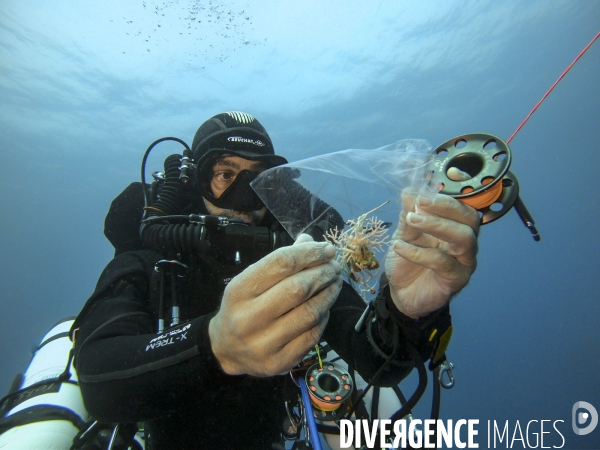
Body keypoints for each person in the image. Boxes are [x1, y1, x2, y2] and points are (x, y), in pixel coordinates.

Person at [71, 111, 479, 449]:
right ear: (196, 182)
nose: (243, 198)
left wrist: (407, 309)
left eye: (257, 179)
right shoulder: (153, 257)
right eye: (224, 175)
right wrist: (216, 346)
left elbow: (376, 361)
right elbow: (98, 380)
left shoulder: (298, 259)